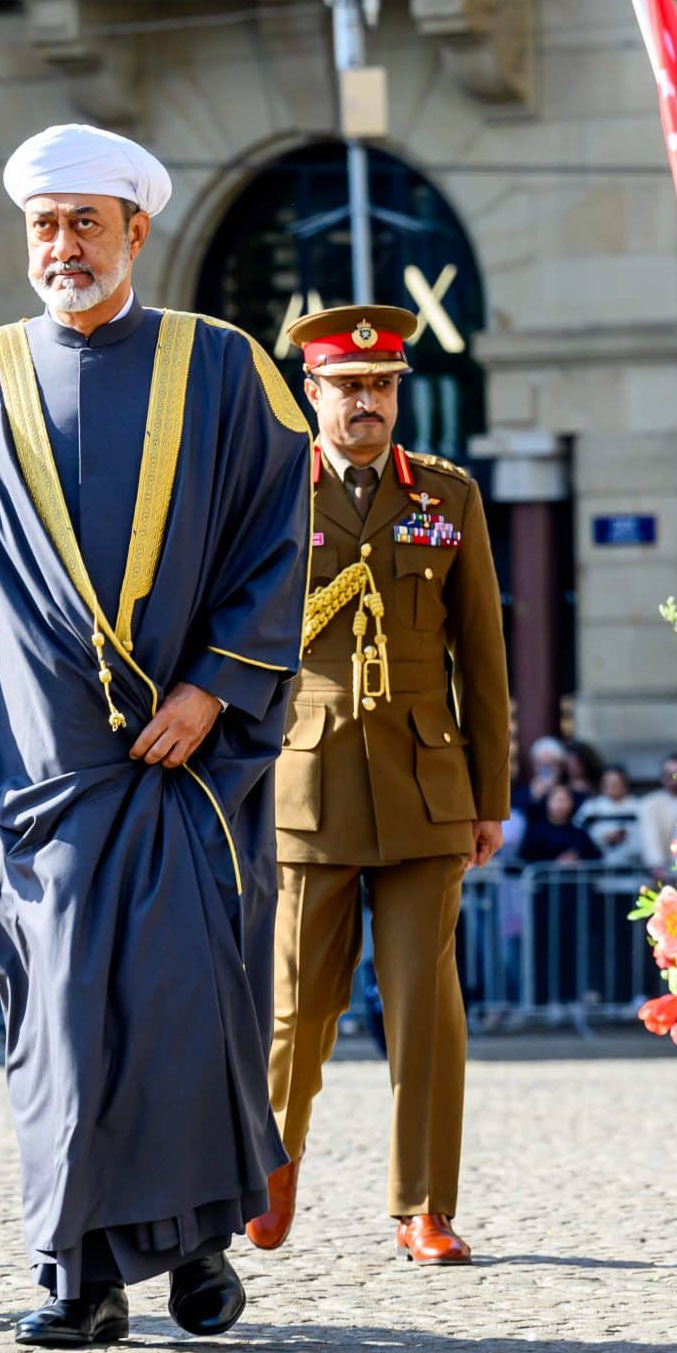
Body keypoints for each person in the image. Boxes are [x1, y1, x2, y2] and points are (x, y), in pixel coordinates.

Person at [0, 124, 307, 1347]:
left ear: (135, 232)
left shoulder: (226, 368)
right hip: (34, 774)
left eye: (85, 224)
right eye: (45, 226)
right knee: (59, 1026)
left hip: (183, 768)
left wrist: (212, 688)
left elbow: (275, 543)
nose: (63, 247)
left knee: (191, 1009)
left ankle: (201, 1249)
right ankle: (79, 1277)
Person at [251, 301, 511, 1272]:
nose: (367, 402)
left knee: (425, 1011)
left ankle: (422, 1207)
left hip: (423, 783)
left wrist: (490, 794)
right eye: (348, 386)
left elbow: (480, 656)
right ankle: (269, 1180)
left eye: (382, 386)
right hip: (307, 779)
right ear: (310, 392)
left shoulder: (445, 496)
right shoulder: (273, 490)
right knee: (294, 1008)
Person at [572, 765, 646, 869]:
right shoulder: (591, 807)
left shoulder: (639, 807)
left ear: (625, 784)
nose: (611, 787)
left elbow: (647, 837)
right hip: (600, 868)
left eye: (616, 783)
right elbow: (577, 834)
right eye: (607, 783)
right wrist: (603, 839)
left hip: (633, 868)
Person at [637, 752, 677, 877]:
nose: (673, 778)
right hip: (660, 874)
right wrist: (657, 867)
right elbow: (650, 837)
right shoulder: (649, 804)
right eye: (668, 774)